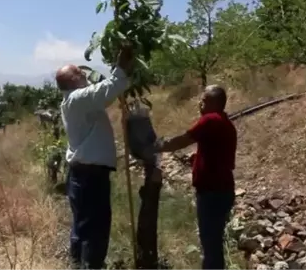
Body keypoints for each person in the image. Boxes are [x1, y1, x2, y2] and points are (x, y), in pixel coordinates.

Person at [55, 48, 134, 270]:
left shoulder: (75, 101)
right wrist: (121, 68)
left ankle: (78, 263)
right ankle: (90, 266)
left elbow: (101, 93)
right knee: (95, 229)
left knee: (82, 226)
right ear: (72, 80)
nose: (85, 74)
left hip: (82, 175)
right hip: (90, 177)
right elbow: (106, 90)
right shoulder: (78, 98)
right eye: (79, 73)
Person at [153, 85, 237, 270]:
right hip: (223, 190)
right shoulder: (225, 123)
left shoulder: (209, 120)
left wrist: (158, 146)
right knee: (214, 243)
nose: (200, 103)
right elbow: (217, 153)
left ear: (215, 103)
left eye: (204, 100)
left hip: (212, 193)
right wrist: (198, 158)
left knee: (210, 245)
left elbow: (184, 139)